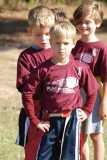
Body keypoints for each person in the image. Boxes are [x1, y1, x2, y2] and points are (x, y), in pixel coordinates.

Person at [22, 21, 99, 160]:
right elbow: (27, 93)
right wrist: (35, 120)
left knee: (70, 157)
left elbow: (93, 90)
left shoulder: (80, 68)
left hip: (72, 120)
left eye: (66, 43)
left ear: (74, 44)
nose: (61, 47)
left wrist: (87, 110)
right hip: (48, 121)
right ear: (51, 43)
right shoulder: (42, 70)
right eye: (57, 43)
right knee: (44, 157)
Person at [16, 5, 55, 160]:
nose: (44, 39)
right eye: (38, 34)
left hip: (57, 111)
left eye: (47, 33)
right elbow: (22, 85)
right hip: (34, 112)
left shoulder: (60, 51)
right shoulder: (26, 56)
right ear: (29, 31)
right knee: (33, 150)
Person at [72, 1, 107, 160]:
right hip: (75, 95)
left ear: (98, 23)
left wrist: (104, 103)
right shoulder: (72, 44)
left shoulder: (101, 48)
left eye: (88, 22)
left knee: (95, 135)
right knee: (80, 135)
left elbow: (106, 79)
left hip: (95, 96)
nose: (83, 26)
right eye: (79, 22)